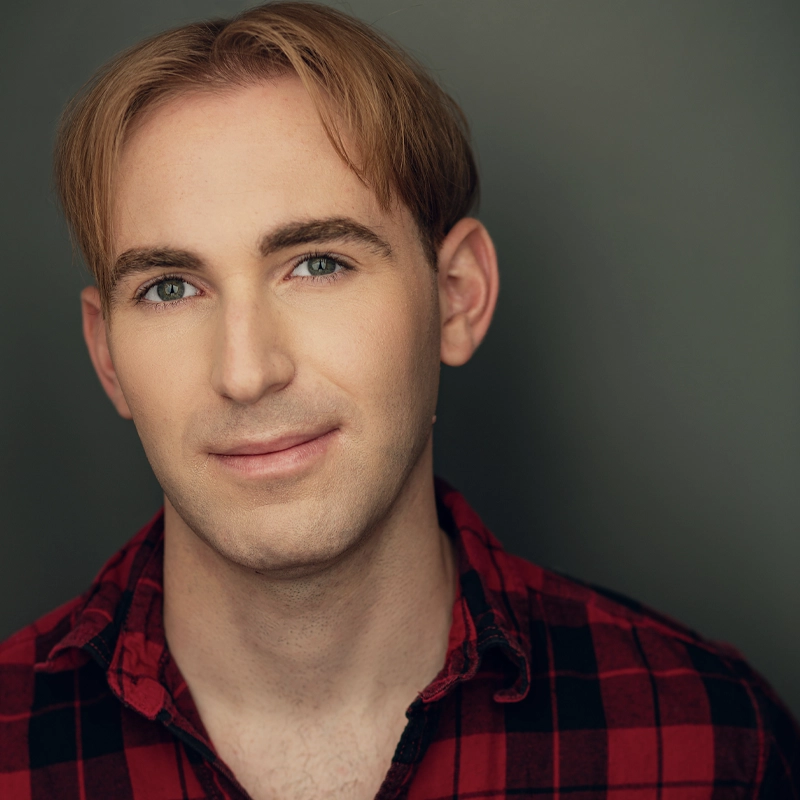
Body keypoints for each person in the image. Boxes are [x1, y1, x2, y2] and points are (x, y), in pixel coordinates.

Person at [0, 2, 797, 798]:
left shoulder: (710, 745)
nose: (245, 371)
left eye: (318, 265)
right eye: (171, 287)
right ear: (106, 354)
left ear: (457, 297)